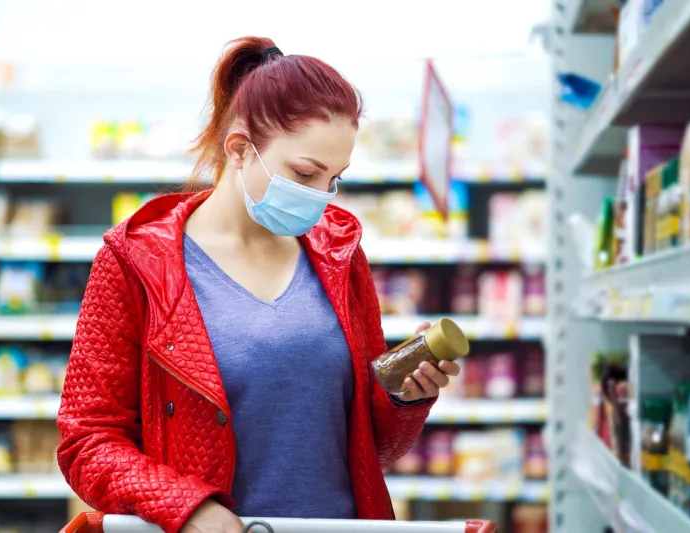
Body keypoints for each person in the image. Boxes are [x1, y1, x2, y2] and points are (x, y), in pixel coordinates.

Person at [57, 36, 461, 533]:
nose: (321, 198)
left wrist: (404, 399)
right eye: (305, 173)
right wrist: (186, 507)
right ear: (241, 149)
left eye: (334, 178)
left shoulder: (340, 256)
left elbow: (371, 448)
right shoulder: (136, 262)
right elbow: (87, 441)